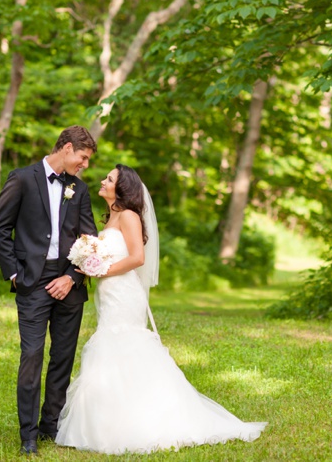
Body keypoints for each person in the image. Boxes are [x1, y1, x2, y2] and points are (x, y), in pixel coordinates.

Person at [55, 164, 267, 454]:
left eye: (110, 179)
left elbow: (137, 258)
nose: (103, 181)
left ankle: (142, 419)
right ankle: (109, 419)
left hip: (123, 292)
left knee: (122, 342)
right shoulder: (111, 217)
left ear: (122, 187)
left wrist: (102, 270)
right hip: (110, 292)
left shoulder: (129, 216)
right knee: (110, 342)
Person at [0, 126, 97, 456]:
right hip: (31, 281)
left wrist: (72, 278)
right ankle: (28, 435)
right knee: (32, 356)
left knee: (62, 357)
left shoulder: (78, 189)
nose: (85, 165)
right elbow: (0, 229)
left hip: (69, 284)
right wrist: (15, 275)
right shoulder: (22, 178)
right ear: (66, 148)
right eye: (83, 158)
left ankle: (51, 425)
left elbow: (89, 239)